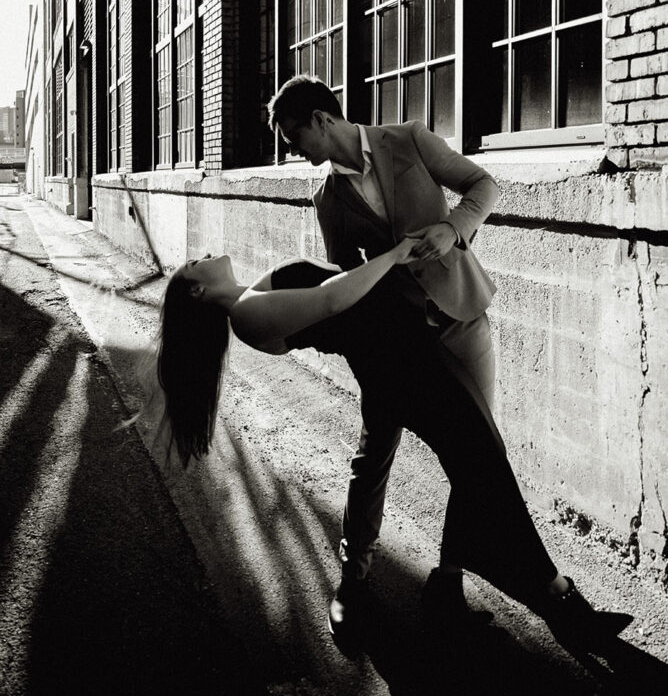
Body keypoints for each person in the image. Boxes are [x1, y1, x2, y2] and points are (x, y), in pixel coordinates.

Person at [155, 245, 629, 649]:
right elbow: (334, 297)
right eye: (194, 263)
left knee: (475, 463)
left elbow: (347, 293)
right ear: (197, 290)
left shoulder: (255, 295)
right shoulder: (246, 315)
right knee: (483, 464)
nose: (204, 255)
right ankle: (556, 599)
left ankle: (466, 588)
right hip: (403, 370)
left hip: (409, 356)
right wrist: (396, 252)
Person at [267, 75, 500, 632]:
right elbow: (347, 284)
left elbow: (482, 185)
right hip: (397, 341)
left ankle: (448, 581)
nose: (292, 150)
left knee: (476, 454)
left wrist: (452, 227)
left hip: (461, 318)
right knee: (375, 452)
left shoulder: (409, 140)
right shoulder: (326, 196)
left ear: (322, 119)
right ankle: (353, 579)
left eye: (294, 135)